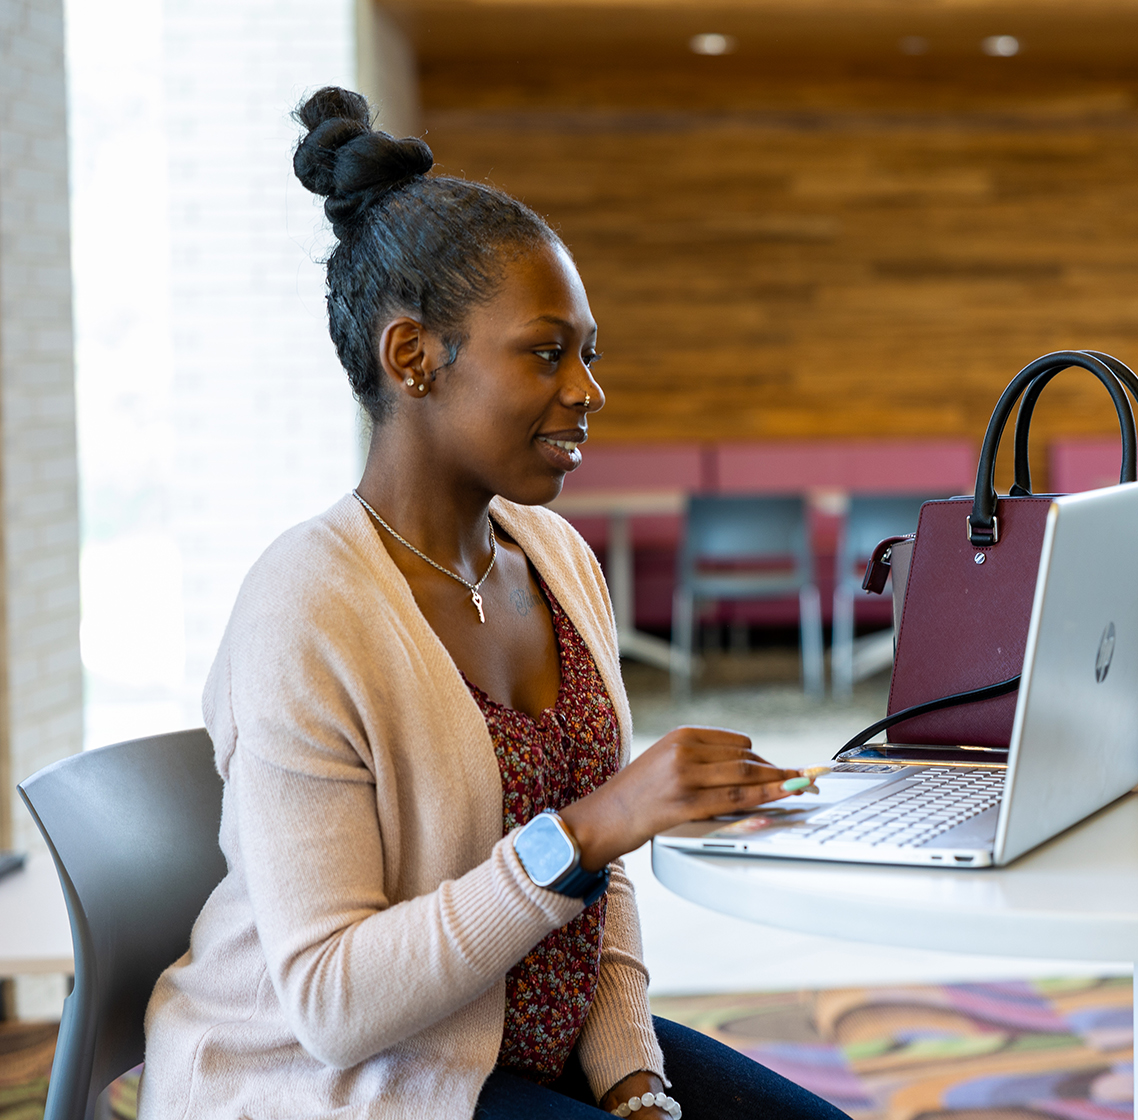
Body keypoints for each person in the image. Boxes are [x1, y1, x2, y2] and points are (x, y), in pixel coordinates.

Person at [137, 87, 851, 1120]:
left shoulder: (556, 555)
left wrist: (636, 1079)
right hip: (339, 1080)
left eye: (590, 354)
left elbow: (596, 907)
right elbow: (332, 1002)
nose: (589, 391)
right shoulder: (306, 607)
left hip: (526, 1048)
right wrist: (592, 826)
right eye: (548, 351)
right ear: (413, 357)